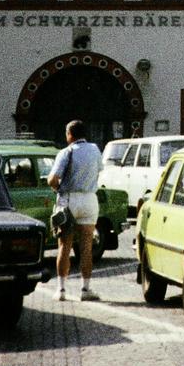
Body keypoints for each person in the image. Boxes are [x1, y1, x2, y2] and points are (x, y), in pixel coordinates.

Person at [48, 119, 103, 302]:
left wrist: (58, 189)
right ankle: (85, 289)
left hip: (69, 199)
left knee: (65, 245)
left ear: (70, 134)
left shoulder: (66, 152)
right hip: (89, 199)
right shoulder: (95, 149)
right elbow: (99, 171)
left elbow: (52, 179)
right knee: (86, 246)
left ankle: (61, 290)